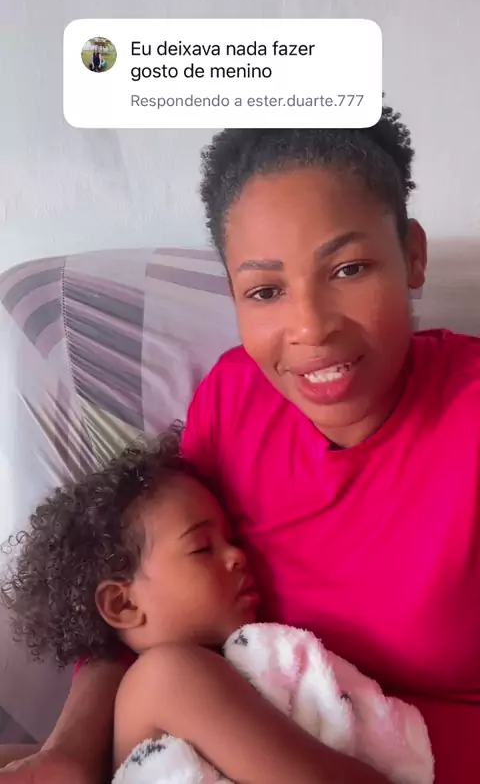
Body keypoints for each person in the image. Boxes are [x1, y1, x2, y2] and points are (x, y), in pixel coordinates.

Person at [2, 106, 479, 784]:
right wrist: (70, 753)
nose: (309, 327)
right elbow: (141, 585)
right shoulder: (234, 401)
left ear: (414, 255)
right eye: (265, 290)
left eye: (348, 269)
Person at [1, 430, 409, 784]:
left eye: (233, 539)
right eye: (201, 548)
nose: (237, 556)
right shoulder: (166, 675)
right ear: (122, 603)